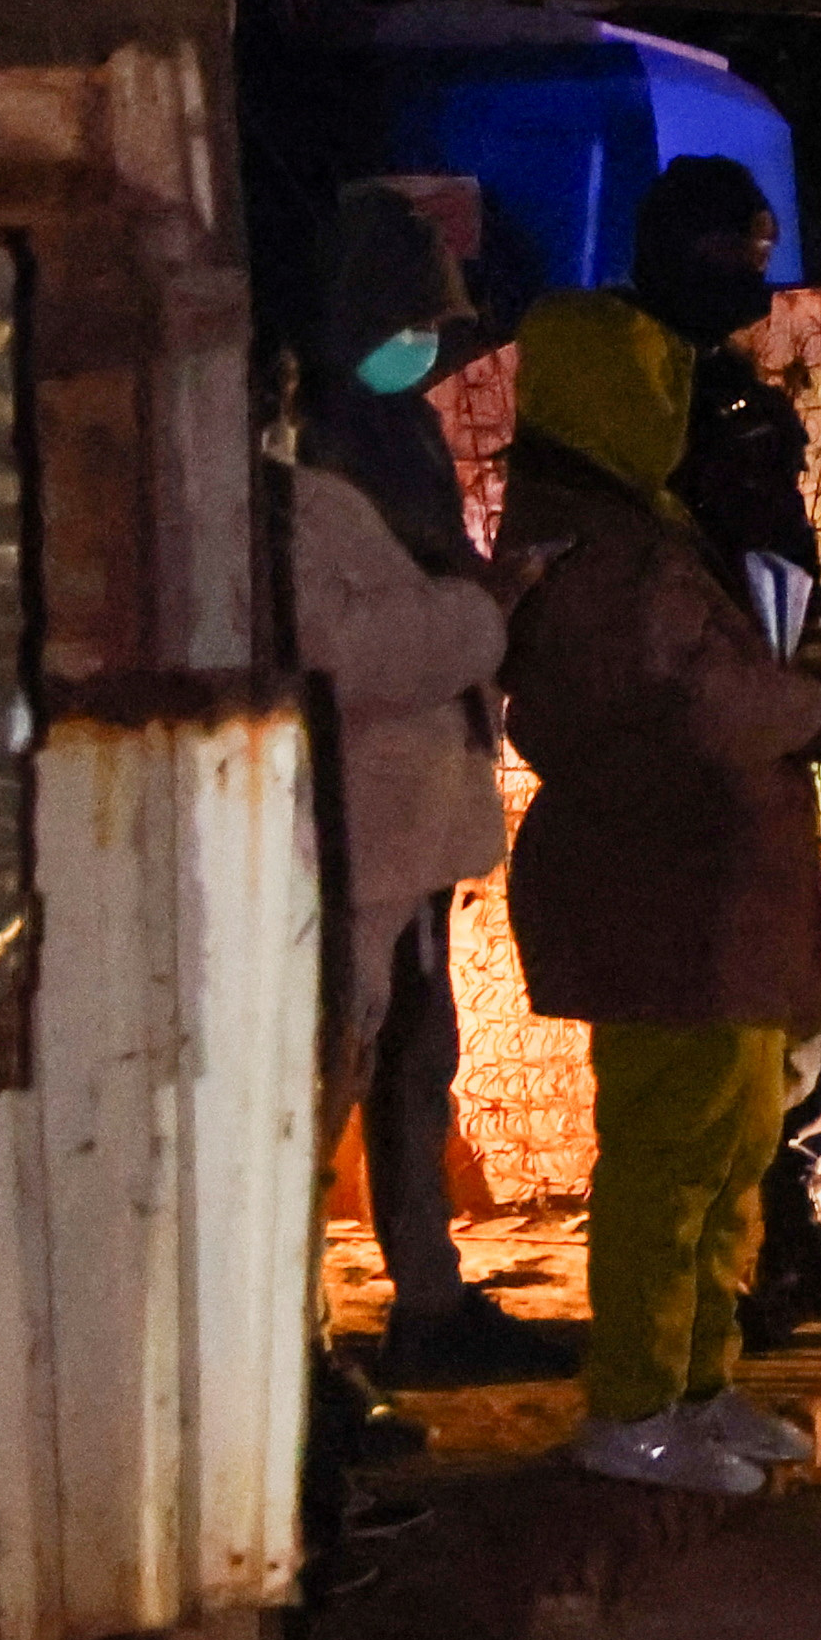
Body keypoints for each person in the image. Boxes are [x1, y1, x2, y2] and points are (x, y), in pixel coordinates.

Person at [496, 290, 821, 1497]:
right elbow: (731, 704)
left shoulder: (639, 524)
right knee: (669, 1153)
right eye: (654, 382)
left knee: (728, 1143)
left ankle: (697, 1380)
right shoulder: (603, 553)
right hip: (664, 888)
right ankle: (633, 1401)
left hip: (710, 889)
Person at [620, 155, 821, 1339]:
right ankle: (718, 1296)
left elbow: (781, 577)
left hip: (774, 736)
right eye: (731, 257)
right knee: (721, 1040)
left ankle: (782, 1241)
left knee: (800, 1006)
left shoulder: (728, 396)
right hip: (705, 755)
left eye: (763, 257)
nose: (751, 283)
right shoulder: (643, 413)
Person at [285, 186, 573, 1393]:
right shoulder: (303, 466)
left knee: (410, 1067)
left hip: (403, 836)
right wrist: (485, 613)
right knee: (330, 1082)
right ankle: (296, 1349)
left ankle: (428, 1305)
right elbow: (347, 649)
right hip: (353, 833)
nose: (427, 351)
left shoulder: (386, 439)